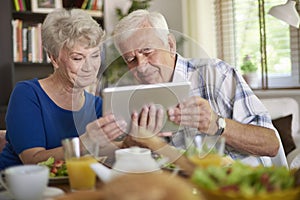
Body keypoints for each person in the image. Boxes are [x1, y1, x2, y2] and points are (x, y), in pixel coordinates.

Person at [112, 9, 287, 167]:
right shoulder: (135, 98)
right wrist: (138, 144)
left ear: (170, 45)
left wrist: (217, 124)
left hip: (242, 183)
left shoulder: (216, 74)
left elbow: (270, 144)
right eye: (130, 59)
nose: (140, 66)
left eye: (148, 51)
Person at [0, 8, 127, 169]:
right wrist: (85, 143)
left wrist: (132, 140)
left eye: (95, 55)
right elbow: (33, 160)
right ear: (54, 58)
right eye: (77, 58)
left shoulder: (97, 104)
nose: (90, 67)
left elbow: (105, 151)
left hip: (70, 189)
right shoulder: (27, 94)